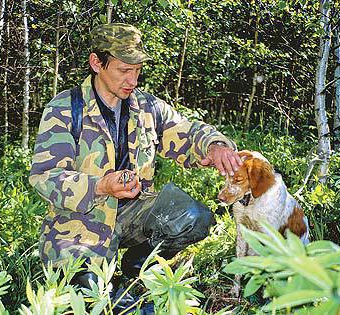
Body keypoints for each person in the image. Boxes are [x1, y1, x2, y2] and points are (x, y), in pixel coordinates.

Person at [29, 23, 242, 309]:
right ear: (97, 63)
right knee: (93, 299)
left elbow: (185, 129)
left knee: (193, 216)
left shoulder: (146, 106)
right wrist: (101, 185)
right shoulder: (66, 108)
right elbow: (45, 176)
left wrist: (214, 145)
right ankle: (110, 283)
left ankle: (137, 267)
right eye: (124, 70)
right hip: (79, 222)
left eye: (138, 70)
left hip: (134, 210)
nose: (133, 80)